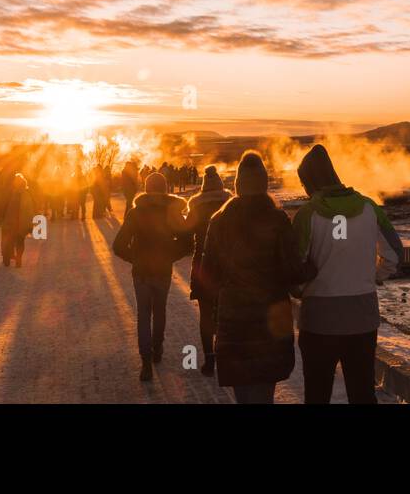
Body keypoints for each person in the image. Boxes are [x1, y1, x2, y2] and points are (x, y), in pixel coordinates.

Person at [292, 144, 402, 404]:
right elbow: (394, 256)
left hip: (319, 321)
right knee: (362, 393)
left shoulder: (307, 215)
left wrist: (301, 291)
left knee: (317, 395)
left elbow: (294, 269)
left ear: (310, 181)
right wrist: (373, 276)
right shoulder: (369, 208)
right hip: (362, 319)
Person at [203, 152, 314, 403]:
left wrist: (215, 313)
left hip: (234, 322)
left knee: (244, 395)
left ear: (238, 185)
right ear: (263, 183)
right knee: (264, 393)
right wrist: (313, 268)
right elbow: (292, 272)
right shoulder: (277, 220)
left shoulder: (219, 221)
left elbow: (208, 274)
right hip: (270, 323)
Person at [112, 172, 190, 382]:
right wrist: (169, 256)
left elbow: (118, 246)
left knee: (144, 315)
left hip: (141, 273)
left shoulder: (136, 213)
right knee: (160, 310)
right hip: (162, 271)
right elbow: (187, 243)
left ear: (146, 189)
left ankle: (146, 363)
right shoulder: (172, 213)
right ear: (164, 189)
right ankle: (157, 349)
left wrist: (135, 258)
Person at [184, 165, 232, 375]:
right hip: (227, 265)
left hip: (202, 265)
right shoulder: (229, 203)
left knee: (205, 314)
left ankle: (209, 360)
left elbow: (186, 231)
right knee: (224, 312)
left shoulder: (195, 205)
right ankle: (224, 356)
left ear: (203, 184)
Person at [0, 173, 35, 268]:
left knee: (9, 241)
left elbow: (5, 208)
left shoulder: (12, 193)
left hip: (12, 222)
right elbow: (30, 209)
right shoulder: (26, 194)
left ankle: (8, 258)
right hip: (22, 222)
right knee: (20, 241)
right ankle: (18, 259)